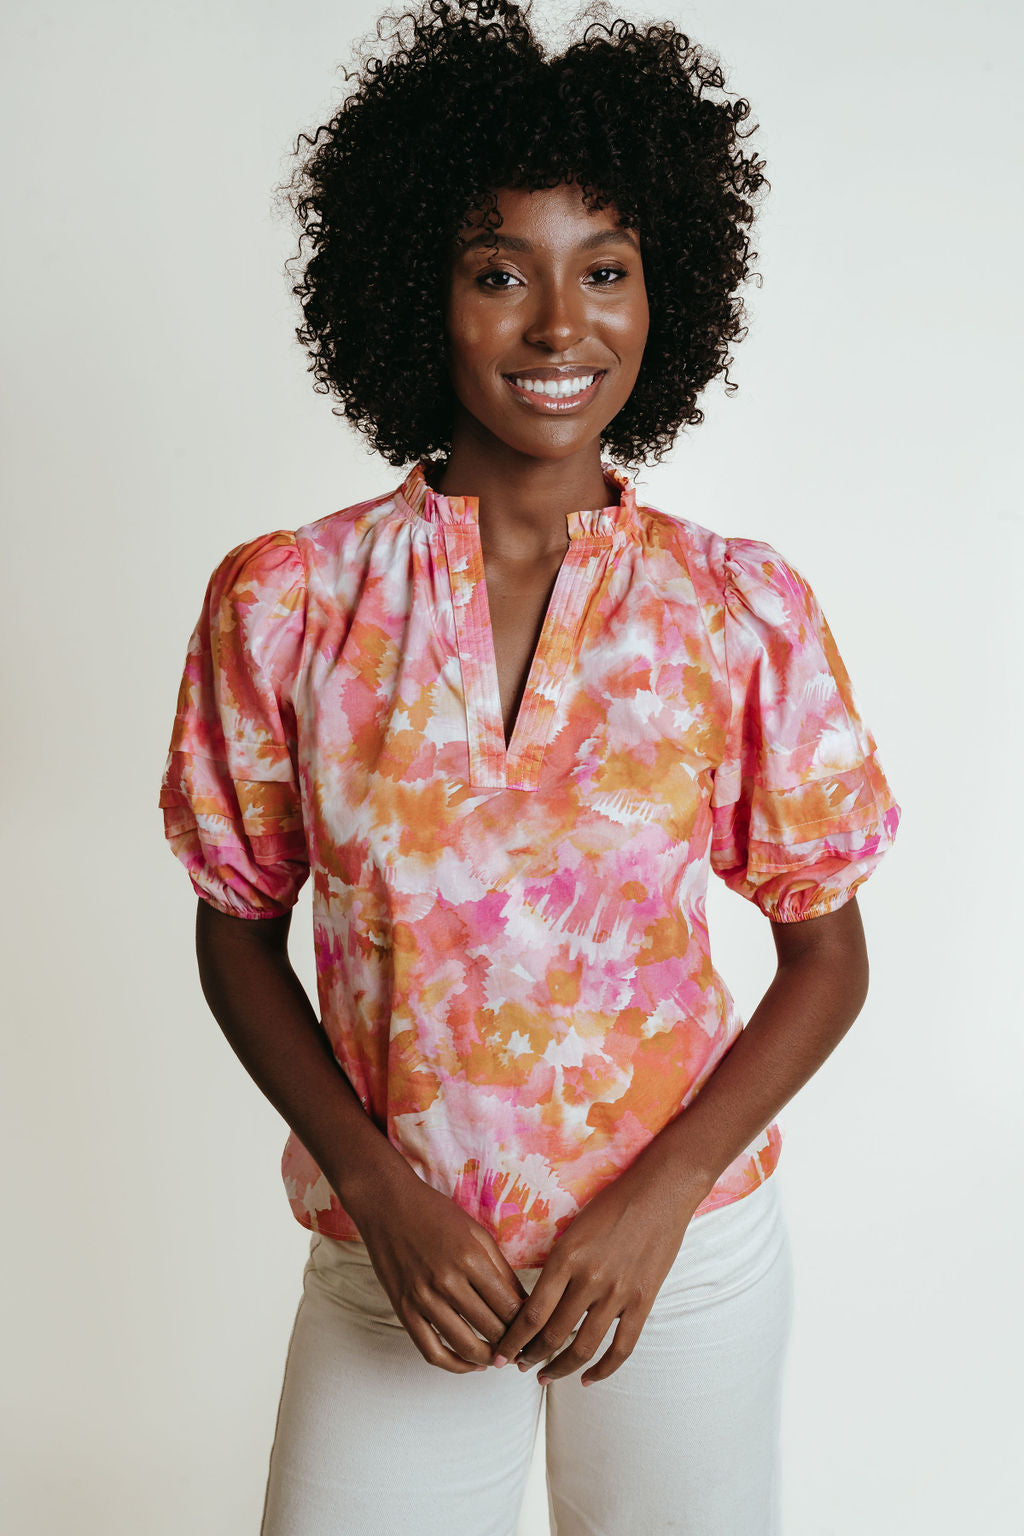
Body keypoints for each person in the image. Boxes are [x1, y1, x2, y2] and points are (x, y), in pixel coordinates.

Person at [157, 1, 901, 1531]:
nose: (563, 326)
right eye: (501, 272)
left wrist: (657, 1208)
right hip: (404, 1269)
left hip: (678, 1265)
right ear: (413, 291)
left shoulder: (735, 607)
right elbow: (236, 932)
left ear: (664, 290)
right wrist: (379, 1195)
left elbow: (827, 955)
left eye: (606, 270)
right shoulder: (289, 602)